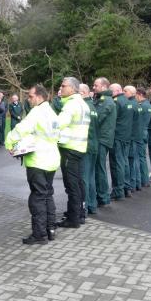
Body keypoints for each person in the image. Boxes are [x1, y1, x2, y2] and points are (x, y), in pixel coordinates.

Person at [5, 84, 60, 245]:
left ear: (38, 96)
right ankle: (50, 229)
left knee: (37, 197)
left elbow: (20, 129)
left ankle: (39, 234)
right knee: (47, 194)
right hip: (51, 159)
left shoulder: (36, 112)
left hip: (38, 160)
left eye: (30, 96)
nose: (28, 99)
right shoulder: (52, 112)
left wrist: (9, 142)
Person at [56, 77, 90, 228]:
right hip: (79, 147)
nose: (61, 88)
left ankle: (73, 218)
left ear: (72, 88)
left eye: (63, 86)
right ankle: (79, 213)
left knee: (71, 185)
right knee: (77, 182)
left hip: (70, 148)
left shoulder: (71, 105)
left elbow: (57, 125)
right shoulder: (83, 104)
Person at [93, 77, 116, 205]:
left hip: (102, 139)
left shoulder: (106, 101)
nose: (93, 87)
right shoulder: (102, 100)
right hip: (102, 138)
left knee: (100, 167)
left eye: (96, 85)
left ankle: (103, 196)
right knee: (99, 167)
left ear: (104, 87)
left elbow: (97, 118)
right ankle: (101, 194)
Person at [79, 84, 99, 216]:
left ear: (82, 93)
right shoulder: (92, 106)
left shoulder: (83, 107)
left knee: (84, 178)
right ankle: (92, 205)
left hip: (85, 146)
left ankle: (83, 208)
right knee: (90, 177)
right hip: (93, 145)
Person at [123, 85, 140, 193]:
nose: (123, 92)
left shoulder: (131, 104)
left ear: (131, 93)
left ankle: (130, 184)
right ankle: (134, 183)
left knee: (129, 161)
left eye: (125, 91)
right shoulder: (136, 104)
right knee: (133, 160)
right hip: (135, 136)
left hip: (131, 137)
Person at [135, 87, 151, 188]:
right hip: (144, 132)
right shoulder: (148, 105)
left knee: (140, 157)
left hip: (140, 133)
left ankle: (143, 180)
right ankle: (144, 179)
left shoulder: (142, 106)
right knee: (142, 157)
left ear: (140, 94)